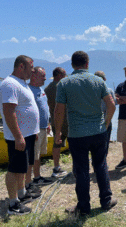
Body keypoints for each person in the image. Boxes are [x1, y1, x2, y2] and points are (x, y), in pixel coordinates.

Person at [54, 51, 116, 216]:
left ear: (72, 64)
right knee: (101, 165)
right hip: (98, 131)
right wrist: (106, 123)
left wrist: (58, 132)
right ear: (87, 64)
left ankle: (83, 207)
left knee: (81, 170)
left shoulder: (64, 83)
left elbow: (59, 111)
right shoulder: (98, 81)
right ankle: (106, 200)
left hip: (77, 134)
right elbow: (111, 106)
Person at [0, 55, 41, 215]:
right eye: (31, 68)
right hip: (18, 136)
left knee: (23, 168)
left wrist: (33, 131)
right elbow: (9, 112)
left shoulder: (21, 83)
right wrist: (18, 136)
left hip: (27, 135)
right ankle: (13, 203)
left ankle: (22, 193)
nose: (33, 71)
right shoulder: (10, 84)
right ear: (21, 67)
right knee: (14, 169)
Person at [28, 66, 53, 187]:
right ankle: (27, 182)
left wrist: (48, 123)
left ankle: (37, 177)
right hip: (35, 130)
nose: (45, 78)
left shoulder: (41, 89)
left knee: (38, 155)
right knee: (32, 156)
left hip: (43, 127)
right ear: (34, 76)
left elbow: (45, 108)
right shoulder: (28, 90)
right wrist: (33, 130)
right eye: (42, 76)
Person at [44, 67, 68, 178]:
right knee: (74, 142)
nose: (66, 76)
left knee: (57, 143)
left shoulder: (47, 88)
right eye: (64, 74)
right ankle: (78, 167)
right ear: (59, 75)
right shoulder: (63, 87)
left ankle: (56, 166)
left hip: (54, 119)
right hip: (66, 119)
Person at [94, 70, 116, 149]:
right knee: (104, 144)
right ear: (105, 79)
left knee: (95, 145)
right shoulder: (109, 91)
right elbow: (113, 105)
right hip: (107, 121)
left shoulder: (91, 91)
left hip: (94, 122)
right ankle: (103, 159)